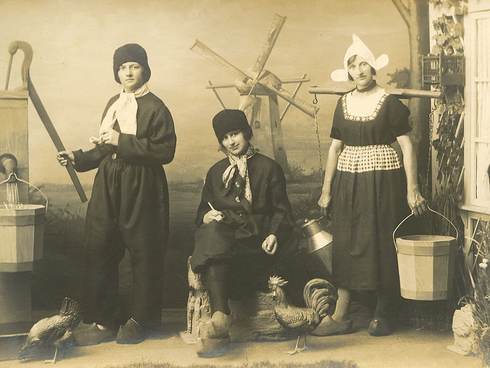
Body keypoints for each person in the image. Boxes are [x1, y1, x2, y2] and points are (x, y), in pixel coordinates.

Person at [57, 43, 176, 344]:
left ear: (145, 69)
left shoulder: (156, 107)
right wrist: (78, 157)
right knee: (99, 247)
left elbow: (165, 150)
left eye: (134, 66)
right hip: (108, 183)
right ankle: (104, 320)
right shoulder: (113, 102)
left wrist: (122, 140)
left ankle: (141, 320)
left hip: (142, 185)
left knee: (144, 251)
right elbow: (104, 147)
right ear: (116, 72)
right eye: (123, 67)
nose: (128, 71)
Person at [316, 34, 427, 337]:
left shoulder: (389, 103)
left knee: (380, 239)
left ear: (373, 67)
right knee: (347, 241)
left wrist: (412, 188)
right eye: (353, 65)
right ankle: (342, 313)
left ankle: (383, 311)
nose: (360, 70)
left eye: (364, 64)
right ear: (348, 71)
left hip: (382, 180)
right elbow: (335, 148)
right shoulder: (343, 103)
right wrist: (326, 190)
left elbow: (407, 147)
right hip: (347, 181)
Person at [190, 109, 296, 357]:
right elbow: (202, 211)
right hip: (226, 239)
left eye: (235, 134)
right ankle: (220, 315)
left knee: (215, 246)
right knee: (212, 234)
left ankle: (219, 322)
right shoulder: (216, 172)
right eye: (225, 138)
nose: (231, 141)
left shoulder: (268, 167)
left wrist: (274, 234)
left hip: (257, 241)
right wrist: (207, 216)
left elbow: (282, 210)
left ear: (246, 133)